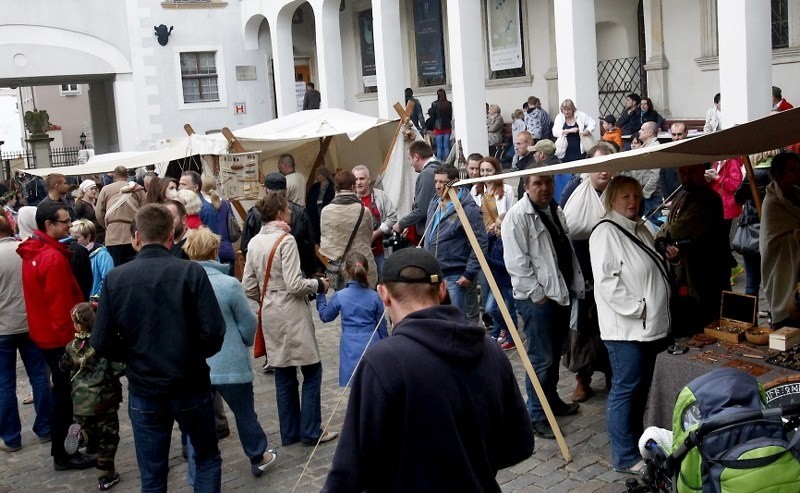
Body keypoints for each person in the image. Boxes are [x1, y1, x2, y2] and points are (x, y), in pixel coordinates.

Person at [321, 248, 534, 492]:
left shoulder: (381, 363)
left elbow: (348, 474)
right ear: (443, 290)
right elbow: (519, 444)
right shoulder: (491, 350)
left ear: (384, 294)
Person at [91, 204, 226, 492]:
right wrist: (190, 353)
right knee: (205, 458)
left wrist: (132, 356)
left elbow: (101, 340)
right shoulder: (190, 273)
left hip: (146, 387)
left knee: (153, 474)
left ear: (136, 237)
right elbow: (213, 332)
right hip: (188, 382)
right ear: (171, 237)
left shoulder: (117, 279)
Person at [589, 176, 670, 474]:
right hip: (627, 329)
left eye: (636, 195)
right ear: (611, 199)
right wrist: (639, 309)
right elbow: (607, 282)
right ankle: (623, 455)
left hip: (648, 327)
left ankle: (638, 442)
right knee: (626, 389)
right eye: (625, 196)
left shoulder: (638, 227)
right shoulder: (606, 232)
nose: (633, 201)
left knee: (638, 389)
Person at [242, 193, 337, 446]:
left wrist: (268, 294)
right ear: (280, 213)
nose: (291, 213)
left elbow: (249, 286)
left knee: (284, 372)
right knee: (312, 369)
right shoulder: (285, 240)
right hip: (291, 311)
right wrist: (318, 284)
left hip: (270, 311)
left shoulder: (254, 242)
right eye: (287, 210)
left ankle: (290, 432)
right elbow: (295, 284)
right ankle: (311, 430)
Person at [182, 228, 277, 478]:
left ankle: (196, 469)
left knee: (197, 421)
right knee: (244, 411)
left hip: (196, 363)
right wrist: (244, 340)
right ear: (214, 250)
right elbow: (247, 323)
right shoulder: (228, 284)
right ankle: (257, 454)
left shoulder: (183, 284)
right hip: (229, 359)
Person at [502, 173, 584, 439]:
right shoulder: (517, 216)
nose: (545, 188)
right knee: (541, 358)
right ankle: (537, 414)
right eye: (537, 183)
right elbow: (517, 263)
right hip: (537, 300)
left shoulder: (554, 209)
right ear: (526, 187)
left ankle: (552, 402)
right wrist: (538, 296)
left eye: (548, 182)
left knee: (554, 354)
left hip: (559, 293)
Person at [17, 202, 95, 470]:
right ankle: (65, 453)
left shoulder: (34, 253)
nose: (69, 226)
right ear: (48, 225)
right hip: (59, 338)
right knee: (66, 398)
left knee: (62, 395)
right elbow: (64, 309)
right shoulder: (52, 258)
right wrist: (76, 343)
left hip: (44, 335)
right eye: (64, 222)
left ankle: (63, 449)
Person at [560, 145, 615, 403]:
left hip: (614, 270)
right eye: (598, 165)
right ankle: (583, 379)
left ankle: (613, 374)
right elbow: (564, 228)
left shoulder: (619, 191)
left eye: (608, 164)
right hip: (582, 270)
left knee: (612, 326)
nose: (603, 170)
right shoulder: (575, 192)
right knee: (581, 327)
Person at [0, 214, 52, 454]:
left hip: (4, 328)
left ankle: (11, 437)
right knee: (39, 376)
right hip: (29, 321)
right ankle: (45, 428)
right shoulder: (24, 250)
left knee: (4, 384)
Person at [658, 164, 730, 335]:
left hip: (708, 266)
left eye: (692, 171)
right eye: (682, 172)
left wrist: (660, 236)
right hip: (690, 264)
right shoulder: (685, 194)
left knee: (708, 313)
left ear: (701, 171)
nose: (687, 176)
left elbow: (677, 229)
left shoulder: (706, 198)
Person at [59, 303, 124, 491]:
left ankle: (80, 436)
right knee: (107, 439)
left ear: (77, 326)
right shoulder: (103, 344)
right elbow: (119, 368)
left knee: (88, 428)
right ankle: (106, 476)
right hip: (104, 400)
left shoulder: (71, 347)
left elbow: (63, 368)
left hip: (79, 400)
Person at [316, 252, 387, 387]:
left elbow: (325, 316)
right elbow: (382, 328)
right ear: (366, 270)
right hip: (372, 343)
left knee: (354, 387)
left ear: (347, 272)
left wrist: (320, 293)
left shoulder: (340, 296)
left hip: (350, 345)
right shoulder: (374, 296)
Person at [425, 165, 487, 318]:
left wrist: (469, 272)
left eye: (443, 182)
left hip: (456, 275)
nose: (438, 186)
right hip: (435, 272)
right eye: (436, 182)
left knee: (457, 320)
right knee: (439, 319)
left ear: (455, 182)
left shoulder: (468, 209)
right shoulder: (435, 202)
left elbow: (480, 242)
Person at [241, 173, 316, 276]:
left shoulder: (255, 213)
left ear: (266, 190)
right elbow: (309, 246)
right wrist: (309, 271)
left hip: (264, 273)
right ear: (286, 189)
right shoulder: (300, 213)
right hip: (296, 271)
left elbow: (246, 247)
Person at [760, 151, 800, 328]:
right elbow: (773, 240)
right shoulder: (772, 202)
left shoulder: (797, 193)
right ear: (779, 173)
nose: (798, 173)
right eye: (792, 170)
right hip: (781, 261)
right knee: (787, 315)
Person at [734, 150, 775, 297]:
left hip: (753, 231)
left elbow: (738, 198)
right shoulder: (781, 173)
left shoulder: (754, 174)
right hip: (775, 230)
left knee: (751, 282)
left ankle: (749, 319)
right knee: (775, 279)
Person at [352, 165, 397, 278]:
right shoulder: (350, 200)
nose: (358, 182)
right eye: (356, 179)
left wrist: (376, 234)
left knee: (383, 283)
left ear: (369, 179)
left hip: (380, 252)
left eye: (362, 179)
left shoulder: (381, 196)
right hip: (358, 255)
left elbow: (392, 217)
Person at [96, 166, 146, 266]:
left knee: (115, 268)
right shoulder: (138, 189)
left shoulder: (106, 190)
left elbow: (98, 213)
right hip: (133, 235)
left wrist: (107, 226)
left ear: (114, 176)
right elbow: (145, 211)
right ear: (127, 175)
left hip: (113, 236)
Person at [393, 141, 441, 245]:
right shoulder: (440, 168)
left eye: (409, 159)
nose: (410, 163)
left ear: (416, 157)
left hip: (432, 234)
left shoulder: (427, 174)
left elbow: (422, 209)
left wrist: (400, 224)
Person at [201, 175, 237, 276]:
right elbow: (232, 225)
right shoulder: (226, 203)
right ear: (215, 185)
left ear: (200, 187)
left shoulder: (202, 207)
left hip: (210, 253)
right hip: (227, 250)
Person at [69, 219, 114, 299]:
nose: (73, 242)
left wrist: (96, 297)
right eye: (70, 238)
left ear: (88, 237)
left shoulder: (102, 255)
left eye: (76, 238)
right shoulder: (73, 253)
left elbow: (108, 279)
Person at [305, 166, 335, 245]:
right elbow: (310, 201)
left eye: (318, 174)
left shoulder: (332, 187)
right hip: (316, 216)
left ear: (324, 175)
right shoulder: (314, 187)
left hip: (328, 216)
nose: (316, 176)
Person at [659, 122, 688, 198]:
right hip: (670, 198)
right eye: (674, 134)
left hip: (687, 197)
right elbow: (662, 176)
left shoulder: (692, 152)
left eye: (679, 134)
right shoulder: (666, 151)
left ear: (686, 133)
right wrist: (667, 198)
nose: (676, 138)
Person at [74, 179, 105, 244]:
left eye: (95, 189)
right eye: (91, 189)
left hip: (102, 233)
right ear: (85, 190)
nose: (94, 191)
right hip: (90, 235)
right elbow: (75, 219)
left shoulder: (97, 201)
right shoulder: (80, 204)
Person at [428, 88, 453, 160]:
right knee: (446, 146)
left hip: (438, 126)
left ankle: (439, 162)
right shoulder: (448, 103)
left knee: (439, 147)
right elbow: (450, 116)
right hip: (447, 126)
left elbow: (433, 117)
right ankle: (448, 162)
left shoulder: (434, 104)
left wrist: (432, 126)